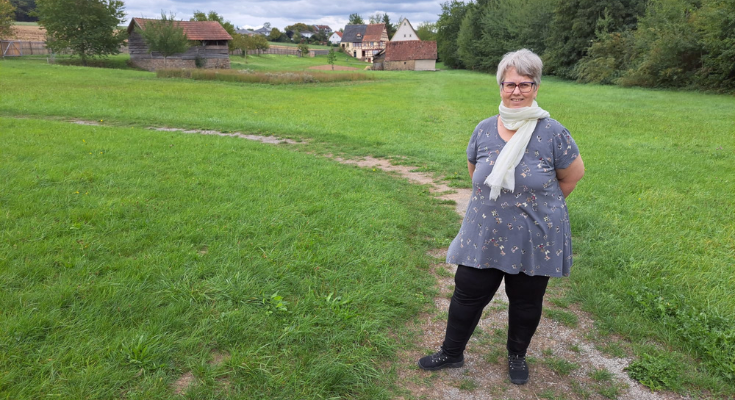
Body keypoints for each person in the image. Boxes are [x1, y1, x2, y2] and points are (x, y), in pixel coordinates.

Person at [418, 49, 585, 385]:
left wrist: (534, 208)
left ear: (536, 87)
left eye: (525, 84)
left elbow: (571, 177)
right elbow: (476, 177)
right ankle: (451, 353)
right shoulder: (483, 130)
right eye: (510, 84)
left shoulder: (553, 132)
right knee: (467, 293)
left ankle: (517, 356)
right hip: (484, 231)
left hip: (534, 235)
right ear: (501, 87)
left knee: (526, 301)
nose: (517, 91)